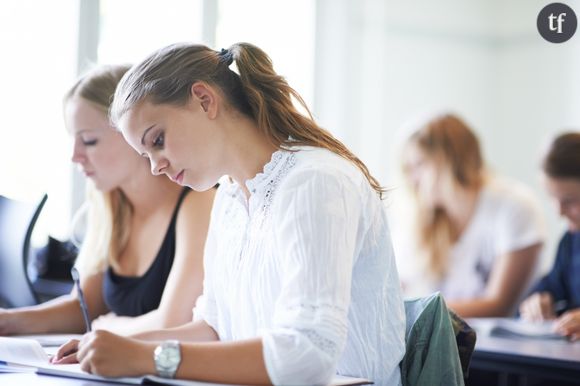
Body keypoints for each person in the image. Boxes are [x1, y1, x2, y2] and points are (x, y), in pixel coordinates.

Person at [53, 43, 406, 385]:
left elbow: (308, 354)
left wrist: (147, 357)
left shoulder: (313, 182)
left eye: (157, 140)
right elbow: (215, 328)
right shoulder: (230, 200)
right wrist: (117, 346)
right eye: (145, 156)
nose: (157, 167)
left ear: (205, 100)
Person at [0, 65, 214, 336]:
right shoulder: (111, 207)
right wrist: (8, 321)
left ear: (133, 133)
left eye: (88, 140)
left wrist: (108, 327)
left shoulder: (198, 202)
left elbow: (174, 322)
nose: (75, 156)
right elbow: (84, 309)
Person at [395, 113, 545, 317]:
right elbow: (399, 288)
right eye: (409, 169)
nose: (413, 180)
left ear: (451, 161)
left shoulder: (514, 208)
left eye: (420, 165)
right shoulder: (423, 221)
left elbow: (498, 305)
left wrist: (414, 312)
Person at [519, 132, 580, 340]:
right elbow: (548, 288)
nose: (559, 212)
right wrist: (537, 302)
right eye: (553, 198)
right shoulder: (571, 243)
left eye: (570, 200)